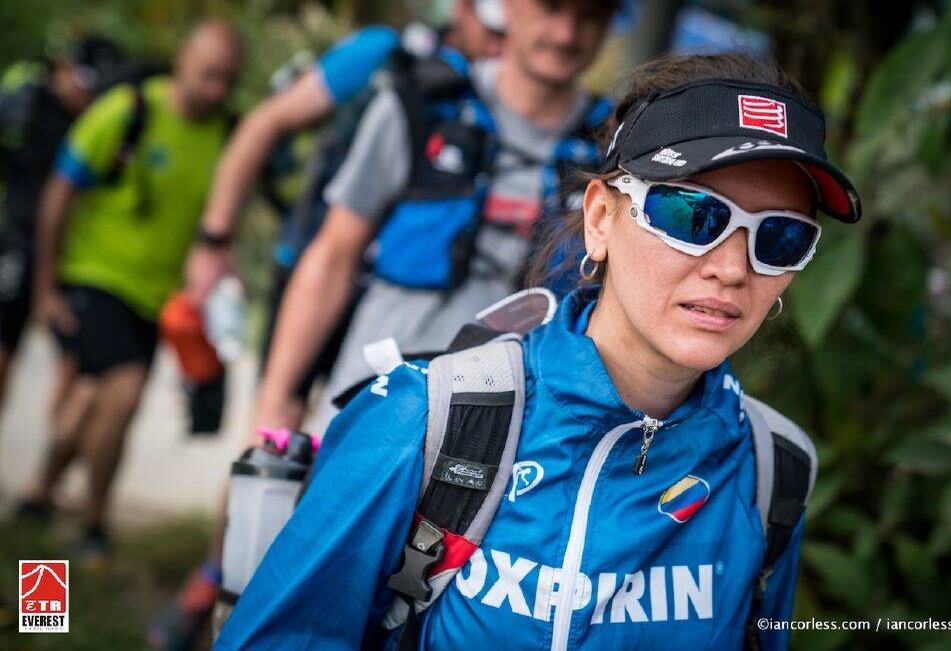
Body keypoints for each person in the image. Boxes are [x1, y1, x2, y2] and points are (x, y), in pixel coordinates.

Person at [215, 52, 862, 649]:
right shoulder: (427, 418)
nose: (731, 267)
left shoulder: (774, 472)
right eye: (692, 215)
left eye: (778, 238)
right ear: (601, 218)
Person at [257, 0, 618, 436]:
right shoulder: (420, 105)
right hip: (374, 406)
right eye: (550, 8)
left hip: (514, 437)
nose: (566, 33)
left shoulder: (614, 150)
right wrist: (275, 402)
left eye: (589, 16)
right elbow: (333, 254)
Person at [185, 0, 505, 426]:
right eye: (494, 23)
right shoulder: (386, 53)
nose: (503, 38)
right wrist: (214, 241)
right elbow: (265, 123)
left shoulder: (516, 102)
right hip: (320, 264)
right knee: (275, 428)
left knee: (356, 430)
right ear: (463, 9)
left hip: (397, 294)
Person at [18, 20, 243, 559]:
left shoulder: (228, 137)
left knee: (86, 404)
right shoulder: (126, 110)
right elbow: (58, 194)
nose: (216, 89)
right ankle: (92, 522)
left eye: (228, 80)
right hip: (96, 276)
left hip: (159, 298)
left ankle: (41, 495)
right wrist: (45, 288)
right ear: (183, 60)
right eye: (209, 74)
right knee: (120, 392)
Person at [0, 36, 124, 405]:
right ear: (66, 68)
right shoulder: (28, 102)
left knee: (79, 365)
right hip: (18, 242)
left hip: (76, 257)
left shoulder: (103, 123)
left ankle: (53, 456)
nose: (87, 96)